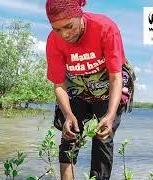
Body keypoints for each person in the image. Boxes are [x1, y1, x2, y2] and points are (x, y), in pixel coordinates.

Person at [45, 0, 135, 179]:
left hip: (108, 85)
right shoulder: (53, 41)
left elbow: (115, 76)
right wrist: (68, 115)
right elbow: (59, 84)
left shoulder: (105, 28)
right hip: (77, 86)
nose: (64, 34)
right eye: (57, 29)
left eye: (68, 26)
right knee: (69, 135)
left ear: (79, 15)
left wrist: (110, 116)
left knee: (103, 137)